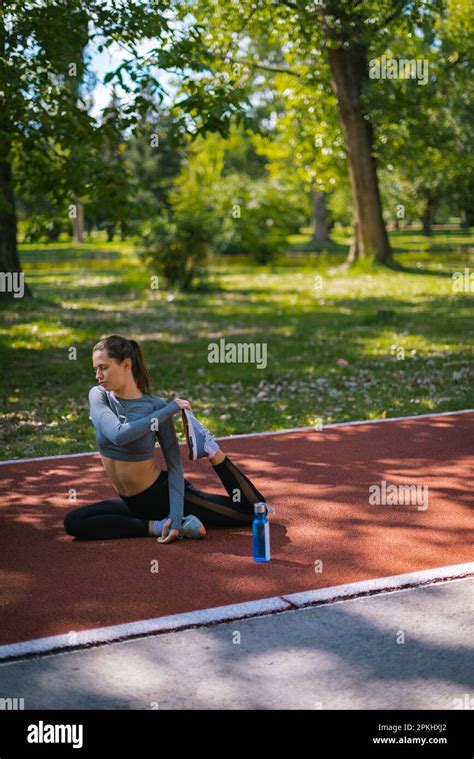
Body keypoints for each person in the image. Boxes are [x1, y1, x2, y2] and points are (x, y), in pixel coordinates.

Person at [63, 334, 274, 544]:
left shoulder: (155, 406)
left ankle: (210, 448)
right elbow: (119, 435)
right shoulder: (99, 396)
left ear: (126, 365)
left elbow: (174, 464)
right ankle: (156, 526)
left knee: (253, 512)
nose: (98, 375)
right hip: (132, 503)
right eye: (95, 369)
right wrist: (170, 409)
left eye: (103, 367)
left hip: (161, 495)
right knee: (74, 521)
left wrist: (174, 515)